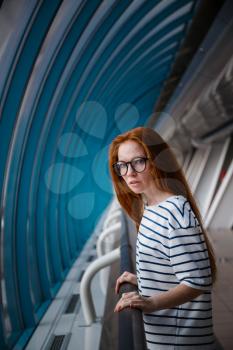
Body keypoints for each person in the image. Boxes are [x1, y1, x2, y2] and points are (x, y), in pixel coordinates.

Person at [108, 127, 217, 349]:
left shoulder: (175, 210)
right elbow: (177, 268)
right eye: (122, 165)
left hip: (182, 342)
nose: (130, 173)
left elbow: (197, 281)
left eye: (138, 162)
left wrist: (149, 302)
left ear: (157, 161)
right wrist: (144, 281)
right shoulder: (148, 207)